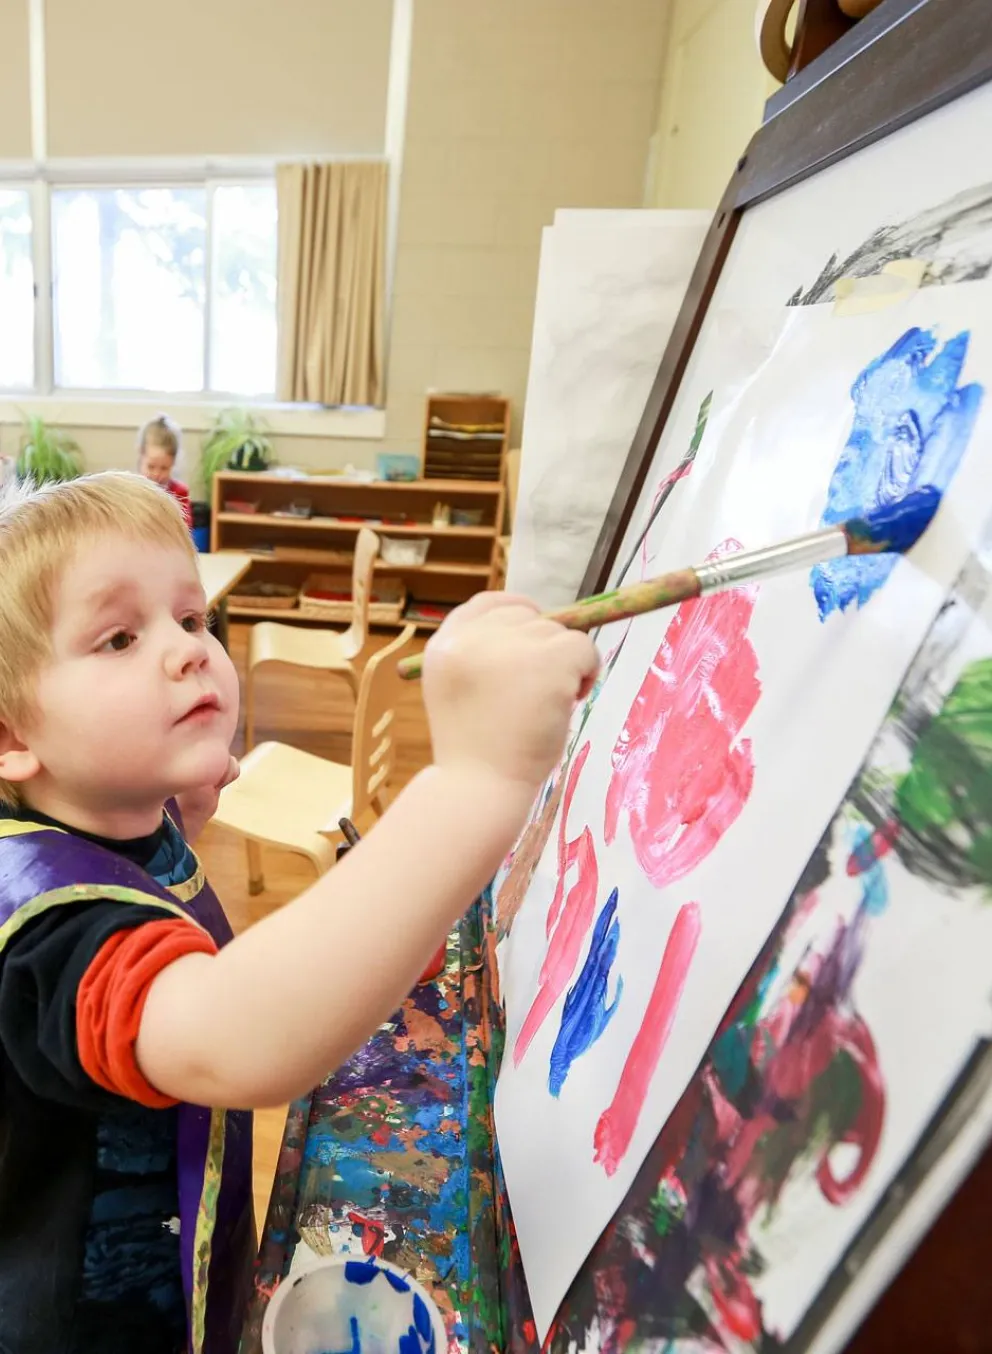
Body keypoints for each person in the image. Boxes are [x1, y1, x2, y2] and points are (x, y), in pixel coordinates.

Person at [0, 471, 598, 1354]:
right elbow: (237, 1037)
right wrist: (477, 780)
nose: (188, 650)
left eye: (193, 619)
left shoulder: (113, 817)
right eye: (120, 637)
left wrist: (174, 824)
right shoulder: (49, 933)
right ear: (12, 738)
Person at [137, 414, 193, 528]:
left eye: (164, 468)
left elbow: (186, 529)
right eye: (151, 466)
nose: (157, 474)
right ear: (141, 456)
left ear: (173, 463)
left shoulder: (180, 493)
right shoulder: (133, 490)